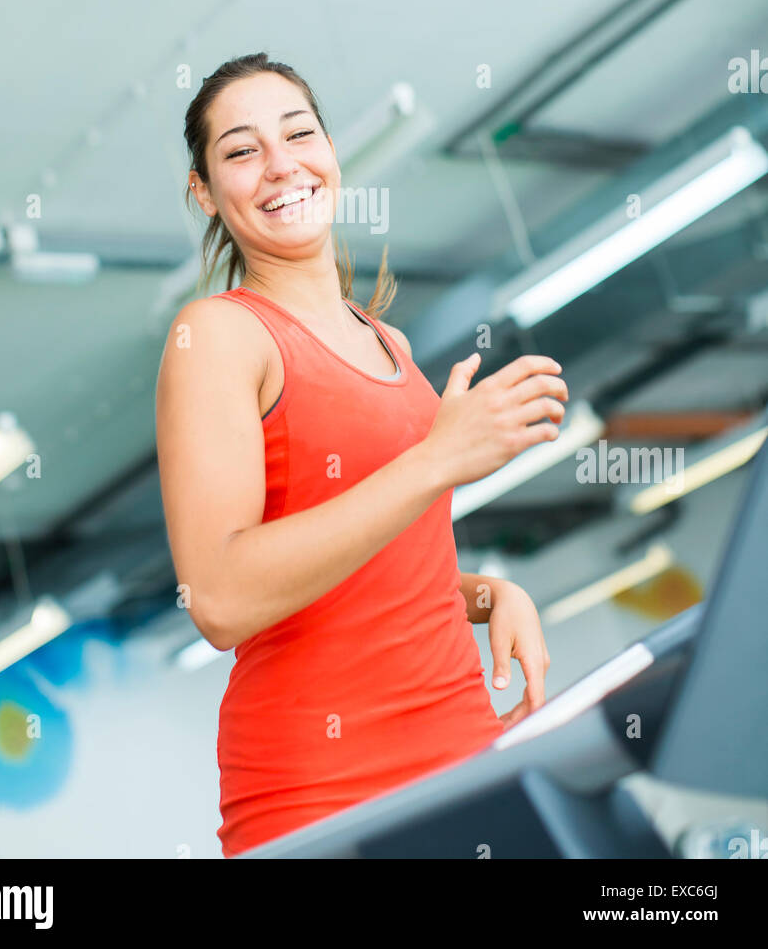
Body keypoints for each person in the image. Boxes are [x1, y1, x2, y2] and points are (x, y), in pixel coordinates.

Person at [156, 52, 566, 858]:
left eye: (299, 133)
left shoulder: (391, 344)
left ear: (332, 150)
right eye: (241, 151)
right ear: (204, 192)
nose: (282, 164)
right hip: (320, 786)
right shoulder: (218, 337)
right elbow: (221, 598)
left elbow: (372, 569)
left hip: (462, 747)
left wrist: (484, 593)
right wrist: (437, 458)